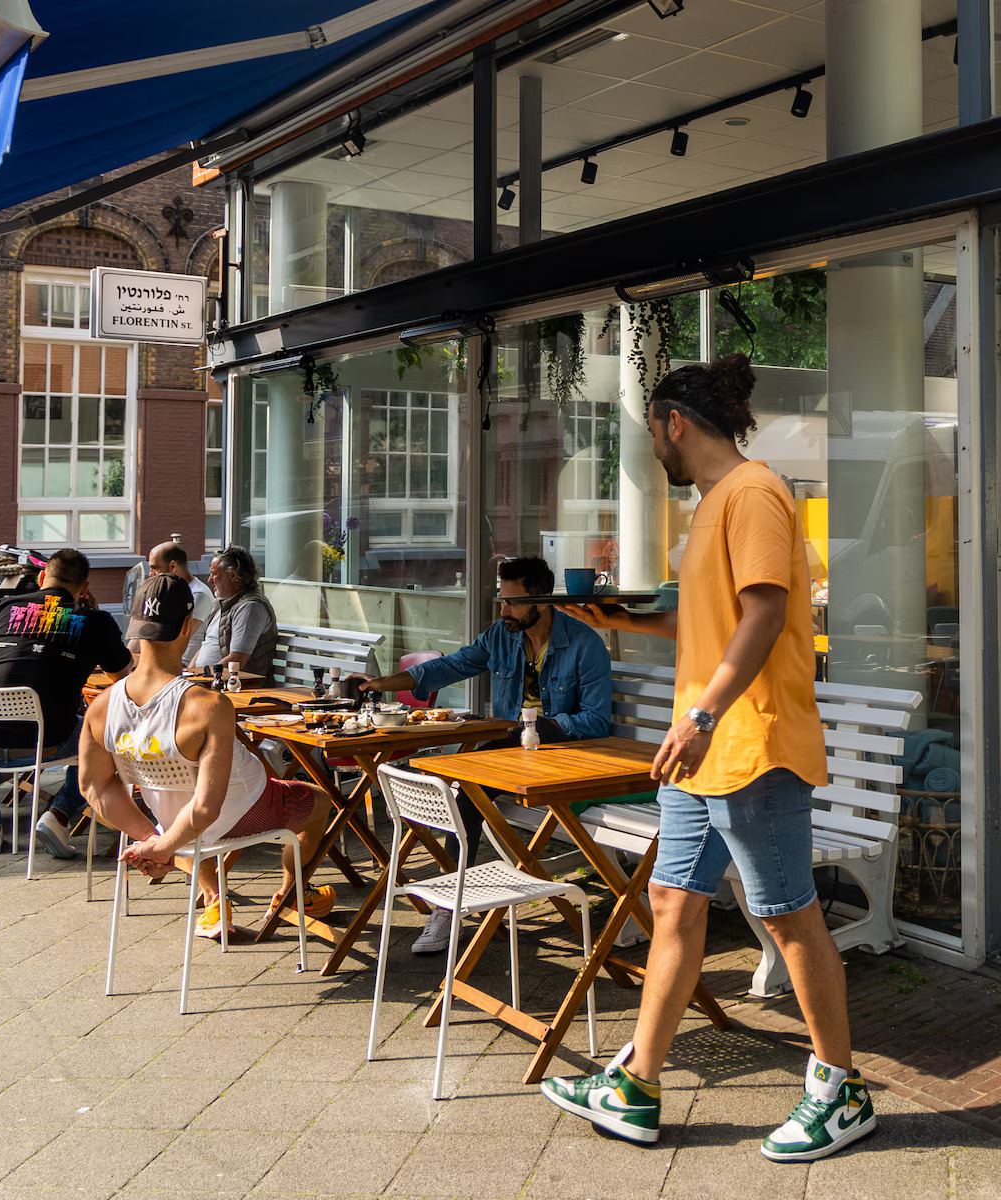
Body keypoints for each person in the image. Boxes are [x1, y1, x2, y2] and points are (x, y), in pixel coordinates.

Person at [539, 354, 873, 1163]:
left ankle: (841, 1090)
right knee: (674, 902)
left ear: (674, 422)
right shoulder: (716, 503)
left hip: (751, 743)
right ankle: (637, 1084)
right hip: (704, 754)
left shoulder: (754, 493)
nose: (654, 448)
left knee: (786, 913)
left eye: (653, 433)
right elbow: (711, 620)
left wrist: (699, 715)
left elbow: (764, 616)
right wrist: (618, 620)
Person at [361, 554, 612, 954]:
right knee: (451, 788)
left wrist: (546, 727)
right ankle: (453, 898)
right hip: (514, 750)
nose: (503, 609)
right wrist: (380, 683)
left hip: (564, 755)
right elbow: (450, 667)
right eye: (501, 599)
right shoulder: (501, 636)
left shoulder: (584, 644)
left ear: (540, 600)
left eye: (512, 601)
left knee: (464, 793)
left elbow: (596, 721)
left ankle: (449, 907)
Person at [80, 573, 334, 937]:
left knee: (181, 818)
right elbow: (205, 809)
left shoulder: (101, 707)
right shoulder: (208, 705)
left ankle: (215, 899)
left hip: (172, 821)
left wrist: (153, 839)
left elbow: (93, 786)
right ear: (188, 626)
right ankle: (293, 896)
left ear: (134, 625)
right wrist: (163, 846)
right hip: (243, 810)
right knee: (319, 801)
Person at [0, 548, 132, 857]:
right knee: (100, 737)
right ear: (84, 587)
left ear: (41, 578)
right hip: (48, 742)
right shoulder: (94, 621)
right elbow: (123, 679)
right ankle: (60, 815)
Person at [190, 544, 278, 683]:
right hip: (209, 681)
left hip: (238, 685)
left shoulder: (250, 607)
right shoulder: (222, 604)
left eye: (214, 574)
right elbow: (206, 645)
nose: (209, 580)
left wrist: (201, 679)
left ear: (233, 576)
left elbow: (237, 660)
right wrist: (188, 674)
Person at [129, 541, 214, 666]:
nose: (151, 573)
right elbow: (139, 636)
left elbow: (176, 641)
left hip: (181, 665)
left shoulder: (198, 595)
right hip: (156, 661)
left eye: (154, 567)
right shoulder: (161, 592)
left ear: (173, 566)